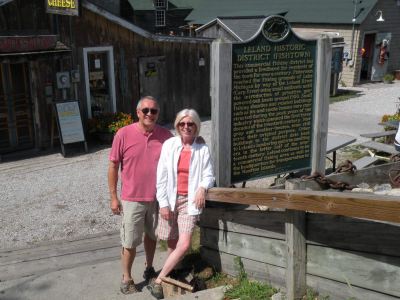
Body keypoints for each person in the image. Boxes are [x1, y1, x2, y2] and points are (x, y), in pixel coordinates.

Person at [147, 109, 215, 299]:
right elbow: (161, 176)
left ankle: (159, 280)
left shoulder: (202, 149)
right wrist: (163, 203)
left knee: (184, 244)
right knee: (171, 239)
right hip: (170, 198)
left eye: (190, 124)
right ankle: (172, 272)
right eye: (182, 124)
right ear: (177, 126)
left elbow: (208, 174)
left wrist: (202, 187)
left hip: (190, 201)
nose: (186, 127)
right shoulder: (169, 145)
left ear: (196, 126)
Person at [108, 96, 173, 294]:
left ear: (158, 114)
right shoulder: (123, 134)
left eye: (153, 111)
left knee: (152, 237)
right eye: (145, 110)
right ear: (138, 113)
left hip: (157, 199)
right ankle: (127, 279)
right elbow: (113, 165)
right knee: (129, 241)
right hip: (132, 199)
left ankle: (149, 268)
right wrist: (113, 196)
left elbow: (177, 163)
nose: (149, 114)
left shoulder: (166, 136)